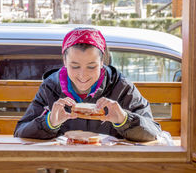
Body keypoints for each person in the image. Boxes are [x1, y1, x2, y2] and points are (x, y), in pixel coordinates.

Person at [14, 27, 161, 142]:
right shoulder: (51, 87)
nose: (83, 75)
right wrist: (49, 122)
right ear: (64, 61)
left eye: (91, 67)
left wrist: (124, 120)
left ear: (102, 62)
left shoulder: (121, 88)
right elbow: (21, 131)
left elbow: (153, 133)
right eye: (75, 66)